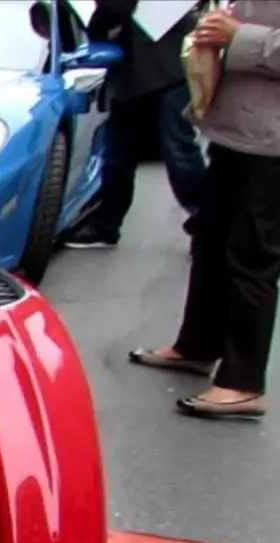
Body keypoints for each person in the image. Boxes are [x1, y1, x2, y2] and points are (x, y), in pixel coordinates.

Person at [128, 0, 279, 419]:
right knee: (210, 243)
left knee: (251, 257)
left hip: (270, 143)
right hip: (236, 129)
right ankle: (197, 345)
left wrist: (238, 36)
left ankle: (243, 382)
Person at [64, 0, 208, 248]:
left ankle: (208, 225)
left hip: (166, 67)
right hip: (136, 72)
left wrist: (100, 19)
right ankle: (106, 225)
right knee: (119, 152)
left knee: (176, 150)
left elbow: (117, 7)